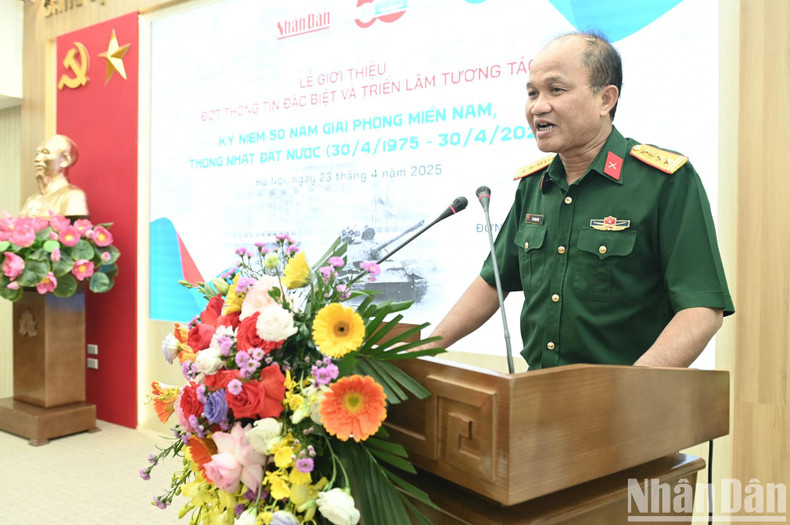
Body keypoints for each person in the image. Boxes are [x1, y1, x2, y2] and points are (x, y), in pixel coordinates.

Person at [428, 32, 733, 369]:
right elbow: (493, 283)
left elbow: (702, 310)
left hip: (623, 403)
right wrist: (420, 351)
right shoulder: (535, 184)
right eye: (532, 93)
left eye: (556, 90)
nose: (538, 106)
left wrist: (629, 391)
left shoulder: (664, 181)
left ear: (606, 99)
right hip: (536, 396)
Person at [19, 134, 89, 219]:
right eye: (37, 153)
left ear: (65, 160)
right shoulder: (32, 200)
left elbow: (73, 227)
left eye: (45, 152)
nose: (37, 159)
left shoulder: (73, 196)